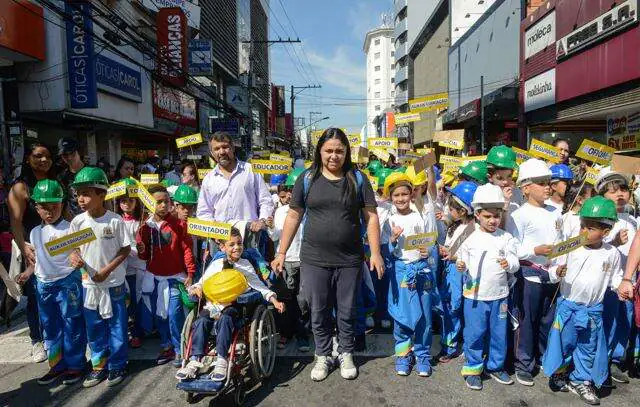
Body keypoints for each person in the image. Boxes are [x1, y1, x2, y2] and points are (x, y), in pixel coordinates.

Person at [271, 128, 384, 382]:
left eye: (339, 151)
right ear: (319, 151)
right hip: (313, 259)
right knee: (318, 310)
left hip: (350, 259)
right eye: (329, 150)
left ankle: (345, 351)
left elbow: (371, 216)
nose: (334, 156)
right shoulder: (307, 178)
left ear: (347, 153)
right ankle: (322, 354)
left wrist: (375, 252)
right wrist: (281, 252)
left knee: (347, 310)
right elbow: (293, 216)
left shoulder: (358, 178)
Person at [177, 227, 285, 382]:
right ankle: (194, 359)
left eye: (239, 244)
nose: (237, 247)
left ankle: (222, 360)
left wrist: (274, 300)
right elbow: (202, 282)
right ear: (222, 247)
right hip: (214, 305)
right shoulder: (216, 264)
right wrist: (196, 289)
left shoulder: (245, 265)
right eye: (232, 244)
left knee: (225, 319)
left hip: (235, 307)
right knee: (201, 320)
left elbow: (259, 286)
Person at [543, 196, 622, 405]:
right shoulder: (570, 245)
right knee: (564, 343)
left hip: (593, 311)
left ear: (606, 232)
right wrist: (556, 271)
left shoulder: (611, 253)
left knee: (588, 347)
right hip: (568, 306)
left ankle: (581, 380)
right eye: (582, 225)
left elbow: (615, 277)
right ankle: (560, 373)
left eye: (590, 228)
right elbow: (551, 266)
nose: (584, 231)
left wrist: (621, 286)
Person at [68, 167, 131, 387]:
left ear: (102, 195)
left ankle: (118, 364)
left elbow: (124, 250)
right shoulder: (77, 222)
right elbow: (73, 248)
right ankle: (98, 365)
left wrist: (107, 270)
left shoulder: (114, 221)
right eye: (78, 194)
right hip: (89, 285)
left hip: (113, 284)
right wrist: (75, 257)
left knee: (116, 325)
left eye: (86, 194)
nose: (81, 199)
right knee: (93, 326)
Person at [506, 158, 564, 387]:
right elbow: (513, 247)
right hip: (529, 276)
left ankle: (542, 358)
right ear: (526, 187)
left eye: (549, 182)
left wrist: (559, 265)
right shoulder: (518, 215)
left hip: (553, 275)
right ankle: (523, 364)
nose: (548, 187)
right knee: (526, 322)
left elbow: (561, 241)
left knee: (547, 321)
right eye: (541, 183)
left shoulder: (556, 212)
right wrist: (534, 250)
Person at [457, 184, 519, 390]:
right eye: (488, 216)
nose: (493, 220)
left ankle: (496, 366)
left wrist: (508, 264)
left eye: (497, 216)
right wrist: (461, 265)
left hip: (500, 296)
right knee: (474, 333)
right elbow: (461, 260)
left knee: (499, 334)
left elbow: (515, 262)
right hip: (474, 296)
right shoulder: (469, 237)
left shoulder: (506, 237)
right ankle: (473, 367)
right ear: (477, 215)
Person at [30, 179, 87, 386]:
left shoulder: (70, 228)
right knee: (49, 326)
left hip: (67, 283)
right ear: (37, 208)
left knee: (72, 323)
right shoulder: (35, 232)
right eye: (44, 207)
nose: (50, 211)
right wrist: (28, 272)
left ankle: (76, 365)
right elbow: (39, 258)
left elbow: (80, 250)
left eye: (54, 205)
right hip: (43, 285)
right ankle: (56, 365)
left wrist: (76, 254)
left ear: (62, 204)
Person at [381, 172, 438, 377]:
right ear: (390, 196)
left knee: (424, 313)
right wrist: (393, 240)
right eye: (396, 195)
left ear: (411, 193)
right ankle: (403, 354)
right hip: (401, 271)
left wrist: (427, 252)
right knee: (401, 313)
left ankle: (423, 354)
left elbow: (430, 243)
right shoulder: (389, 219)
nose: (401, 199)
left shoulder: (420, 215)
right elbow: (386, 249)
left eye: (404, 194)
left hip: (421, 269)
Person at [7, 143, 57, 363]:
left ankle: (56, 337)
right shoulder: (20, 187)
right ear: (28, 158)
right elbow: (15, 222)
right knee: (36, 297)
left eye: (47, 156)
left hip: (57, 245)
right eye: (38, 156)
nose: (43, 160)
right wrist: (24, 246)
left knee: (59, 294)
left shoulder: (56, 182)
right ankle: (37, 340)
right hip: (33, 248)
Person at [137, 184, 196, 366]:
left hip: (175, 278)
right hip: (154, 279)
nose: (163, 205)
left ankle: (180, 349)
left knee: (173, 314)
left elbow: (187, 249)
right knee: (160, 315)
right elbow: (145, 256)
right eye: (158, 202)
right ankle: (166, 346)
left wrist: (190, 273)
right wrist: (141, 249)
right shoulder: (145, 228)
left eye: (166, 201)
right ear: (149, 204)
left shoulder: (179, 224)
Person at [595, 168, 637, 384]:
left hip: (629, 281)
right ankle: (601, 364)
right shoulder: (601, 220)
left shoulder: (633, 219)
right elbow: (595, 249)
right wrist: (614, 243)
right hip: (609, 282)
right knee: (608, 323)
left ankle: (615, 360)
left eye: (622, 189)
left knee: (625, 320)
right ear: (601, 195)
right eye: (612, 191)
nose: (619, 194)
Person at [268, 168, 310, 352]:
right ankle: (285, 333)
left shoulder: (311, 211)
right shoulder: (281, 212)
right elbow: (276, 235)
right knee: (285, 298)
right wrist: (270, 227)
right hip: (286, 261)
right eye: (292, 190)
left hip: (306, 260)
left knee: (303, 301)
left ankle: (302, 334)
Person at [197, 132, 273, 233]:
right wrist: (214, 232)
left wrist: (262, 220)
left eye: (225, 147)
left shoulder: (251, 171)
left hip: (250, 236)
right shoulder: (208, 179)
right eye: (217, 149)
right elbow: (204, 212)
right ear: (211, 153)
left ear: (232, 148)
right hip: (221, 240)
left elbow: (266, 201)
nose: (222, 152)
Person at [438, 181, 478, 363]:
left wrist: (450, 255)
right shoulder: (456, 225)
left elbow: (466, 254)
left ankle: (451, 345)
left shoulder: (472, 229)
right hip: (450, 271)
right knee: (449, 306)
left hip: (460, 272)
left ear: (463, 211)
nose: (448, 210)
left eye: (451, 208)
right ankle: (451, 341)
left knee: (454, 307)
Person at [114, 179, 147, 348]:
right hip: (120, 268)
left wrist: (142, 246)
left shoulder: (141, 222)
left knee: (135, 300)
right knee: (122, 302)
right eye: (123, 201)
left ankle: (137, 332)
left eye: (130, 200)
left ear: (136, 201)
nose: (126, 204)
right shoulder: (115, 221)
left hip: (136, 267)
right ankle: (124, 331)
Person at [57, 137, 85, 218]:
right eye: (65, 155)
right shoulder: (62, 177)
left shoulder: (93, 172)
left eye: (72, 153)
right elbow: (64, 202)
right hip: (74, 221)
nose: (69, 158)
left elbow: (106, 197)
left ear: (79, 152)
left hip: (95, 218)